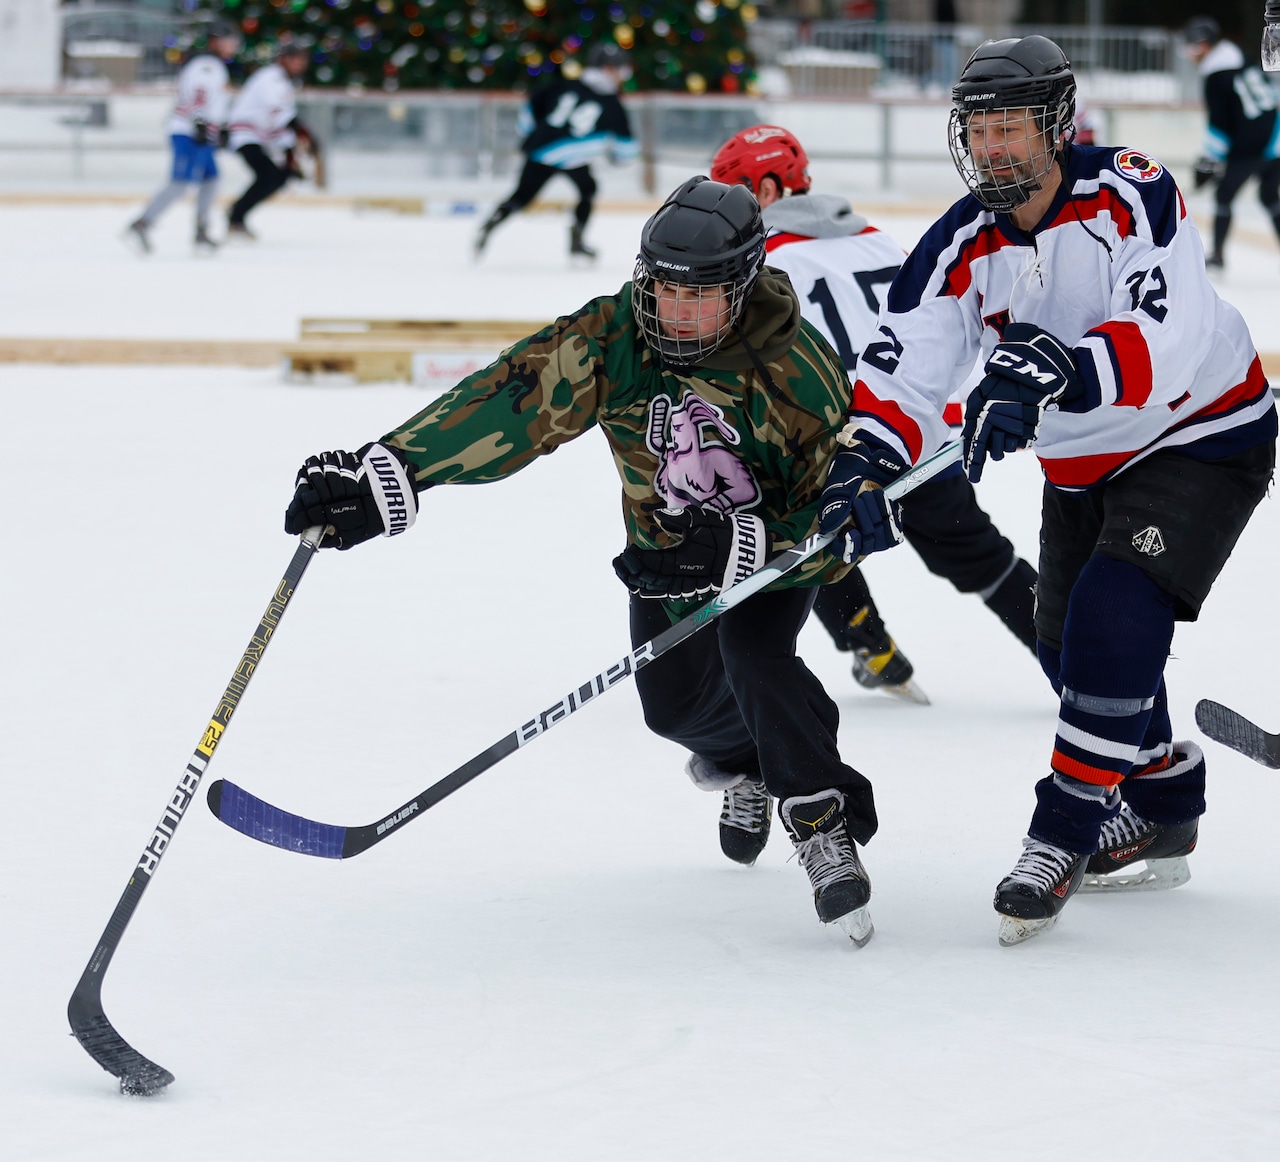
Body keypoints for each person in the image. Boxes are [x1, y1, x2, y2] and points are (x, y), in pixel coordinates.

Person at [284, 177, 881, 945]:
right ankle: (752, 763)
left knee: (756, 658)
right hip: (664, 558)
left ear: (740, 289)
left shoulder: (795, 367)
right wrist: (392, 469)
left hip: (766, 560)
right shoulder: (616, 338)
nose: (677, 312)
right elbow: (515, 398)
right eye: (663, 291)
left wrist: (754, 545)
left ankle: (820, 816)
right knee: (671, 710)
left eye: (699, 297)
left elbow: (829, 516)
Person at [816, 35, 1276, 945]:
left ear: (1056, 125)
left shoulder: (1132, 190)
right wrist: (862, 462)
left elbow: (1168, 331)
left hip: (1199, 433)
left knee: (1114, 619)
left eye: (1011, 127)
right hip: (1083, 464)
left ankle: (1061, 833)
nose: (992, 147)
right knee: (1066, 648)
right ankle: (1160, 800)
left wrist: (1056, 370)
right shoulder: (958, 242)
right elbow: (903, 369)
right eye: (978, 129)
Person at [711, 125, 1038, 703]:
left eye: (734, 193)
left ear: (764, 189)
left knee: (811, 541)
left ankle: (872, 645)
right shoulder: (880, 241)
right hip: (919, 433)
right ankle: (1078, 662)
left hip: (838, 446)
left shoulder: (758, 264)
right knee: (979, 557)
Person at [474, 41, 638, 261]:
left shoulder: (562, 85)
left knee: (523, 196)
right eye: (620, 69)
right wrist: (619, 157)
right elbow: (625, 146)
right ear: (608, 69)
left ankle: (490, 224)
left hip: (541, 152)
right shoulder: (612, 103)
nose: (623, 75)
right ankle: (577, 240)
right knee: (587, 190)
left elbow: (531, 108)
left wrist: (530, 134)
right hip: (573, 158)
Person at [126, 20, 241, 254]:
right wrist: (200, 122)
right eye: (230, 41)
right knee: (180, 183)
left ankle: (201, 232)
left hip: (201, 133)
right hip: (188, 132)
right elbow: (198, 95)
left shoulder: (214, 65)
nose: (233, 46)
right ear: (216, 41)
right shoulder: (207, 65)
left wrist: (221, 127)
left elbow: (214, 102)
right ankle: (141, 224)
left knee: (210, 180)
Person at [1183, 16, 1280, 270]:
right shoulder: (1242, 60)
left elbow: (1220, 124)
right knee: (1269, 196)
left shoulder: (1216, 76)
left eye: (1191, 45)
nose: (1189, 51)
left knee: (1224, 195)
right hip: (1275, 139)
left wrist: (1209, 160)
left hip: (1251, 145)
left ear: (1203, 45)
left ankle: (1217, 255)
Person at [225, 42, 318, 241]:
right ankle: (235, 217)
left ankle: (236, 216)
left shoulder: (282, 81)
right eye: (296, 59)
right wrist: (301, 133)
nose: (300, 65)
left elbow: (277, 121)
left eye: (303, 60)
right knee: (269, 176)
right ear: (284, 59)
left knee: (277, 177)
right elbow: (279, 114)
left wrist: (289, 150)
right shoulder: (271, 77)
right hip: (245, 133)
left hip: (259, 136)